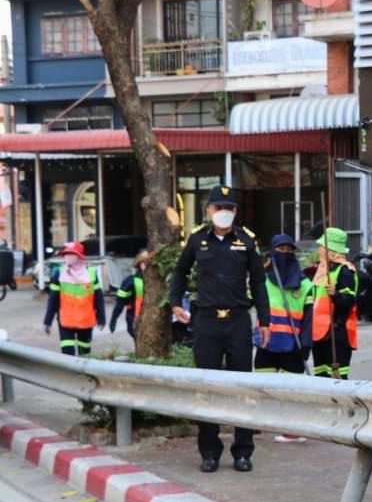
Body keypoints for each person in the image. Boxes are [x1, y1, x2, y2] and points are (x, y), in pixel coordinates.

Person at [169, 185, 269, 474]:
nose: (223, 212)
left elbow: (259, 282)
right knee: (206, 388)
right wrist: (175, 303)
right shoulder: (197, 239)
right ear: (208, 210)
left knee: (242, 387)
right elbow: (180, 271)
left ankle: (243, 451)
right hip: (207, 322)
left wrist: (265, 320)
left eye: (229, 207)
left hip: (237, 321)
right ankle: (209, 452)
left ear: (235, 211)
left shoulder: (247, 240)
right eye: (218, 207)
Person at [256, 234, 313, 443]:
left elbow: (309, 318)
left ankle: (293, 430)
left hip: (293, 345)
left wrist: (306, 344)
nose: (285, 254)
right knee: (262, 387)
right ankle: (258, 424)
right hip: (267, 342)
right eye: (280, 250)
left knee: (291, 391)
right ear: (272, 253)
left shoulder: (305, 284)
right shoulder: (262, 280)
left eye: (289, 250)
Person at [303, 228, 357, 379]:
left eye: (322, 247)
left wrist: (336, 294)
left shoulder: (345, 271)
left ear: (331, 250)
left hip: (337, 334)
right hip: (320, 334)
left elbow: (349, 300)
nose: (319, 250)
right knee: (321, 377)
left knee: (337, 379)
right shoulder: (321, 271)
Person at [43, 241, 105, 356]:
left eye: (71, 254)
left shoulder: (91, 273)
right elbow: (53, 300)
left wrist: (101, 318)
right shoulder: (59, 274)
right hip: (66, 321)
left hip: (85, 321)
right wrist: (48, 321)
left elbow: (98, 298)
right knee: (67, 355)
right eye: (66, 254)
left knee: (85, 355)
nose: (68, 257)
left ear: (79, 256)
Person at [110, 250, 150, 338]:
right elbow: (120, 302)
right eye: (145, 263)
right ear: (140, 264)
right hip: (134, 320)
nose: (148, 266)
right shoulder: (130, 282)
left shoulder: (158, 282)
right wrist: (114, 318)